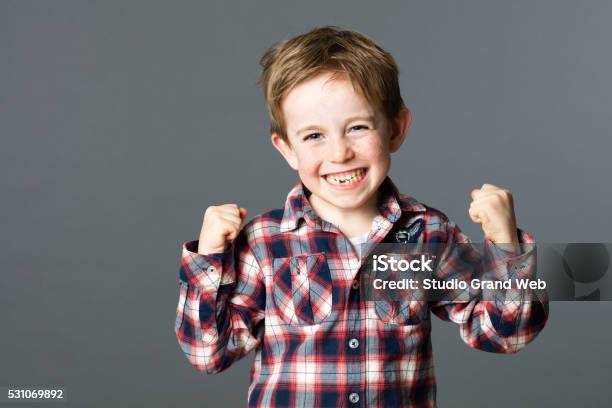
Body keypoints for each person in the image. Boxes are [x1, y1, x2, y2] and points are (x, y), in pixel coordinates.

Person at [174, 26, 548, 407]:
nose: (339, 153)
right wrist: (208, 259)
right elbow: (209, 355)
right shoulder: (264, 242)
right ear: (287, 148)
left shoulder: (428, 234)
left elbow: (506, 335)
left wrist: (506, 246)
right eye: (314, 136)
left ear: (396, 130)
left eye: (357, 127)